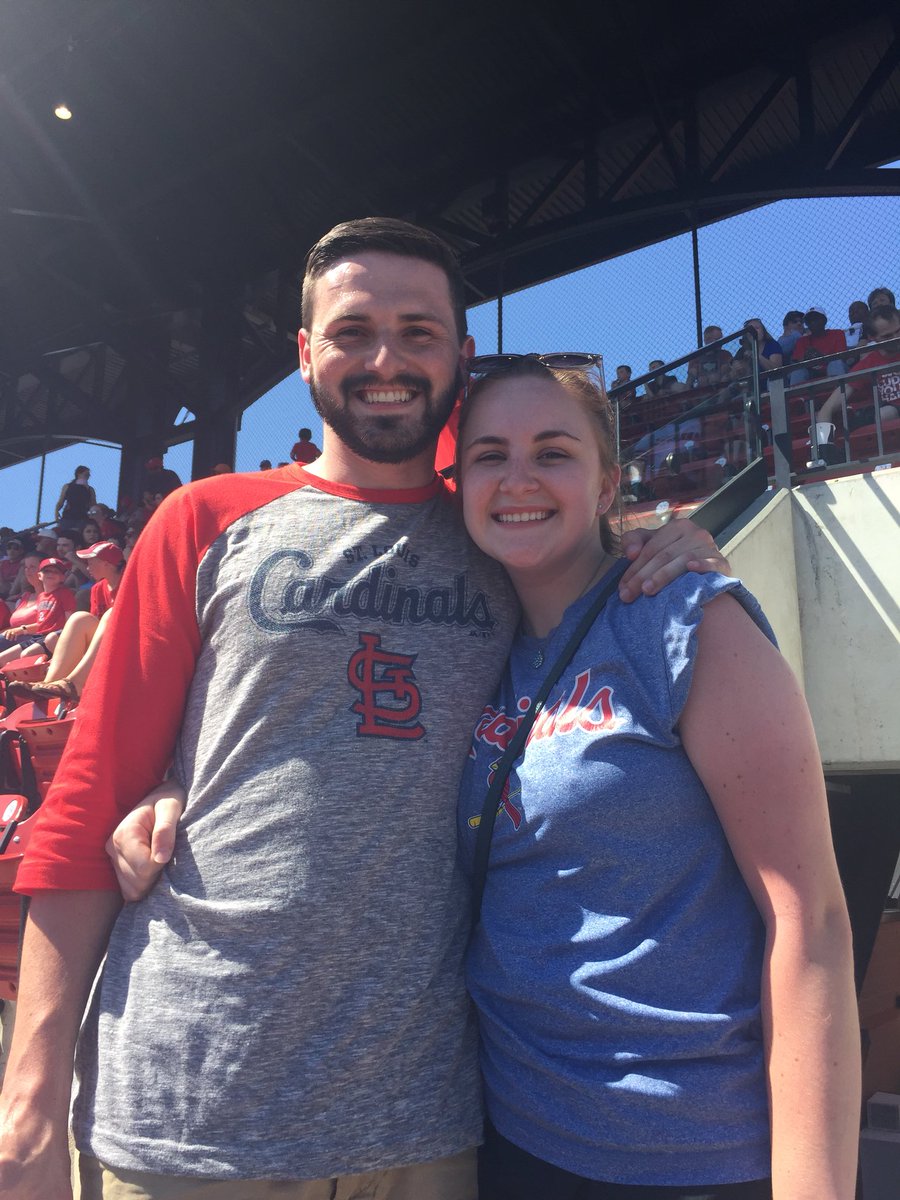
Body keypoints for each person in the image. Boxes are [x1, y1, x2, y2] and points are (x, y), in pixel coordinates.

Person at [0, 217, 726, 1200]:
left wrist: (672, 543)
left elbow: (598, 571)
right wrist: (30, 1099)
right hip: (189, 1106)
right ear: (305, 354)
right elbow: (86, 806)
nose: (385, 359)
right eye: (353, 331)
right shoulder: (201, 519)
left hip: (425, 1118)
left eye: (419, 332)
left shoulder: (502, 535)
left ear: (461, 358)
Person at [454, 356, 859, 1199]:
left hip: (686, 1154)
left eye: (553, 452)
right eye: (490, 454)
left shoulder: (685, 619)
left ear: (607, 487)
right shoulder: (475, 644)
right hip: (511, 1131)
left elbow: (810, 922)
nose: (517, 478)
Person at [815, 304, 900, 437]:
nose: (896, 338)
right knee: (886, 413)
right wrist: (822, 445)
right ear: (872, 337)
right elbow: (827, 408)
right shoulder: (869, 363)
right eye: (887, 336)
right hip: (891, 417)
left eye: (898, 331)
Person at [0, 557, 76, 666]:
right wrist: (21, 630)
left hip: (54, 637)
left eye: (56, 571)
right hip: (38, 637)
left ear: (62, 577)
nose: (51, 574)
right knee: (2, 659)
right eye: (47, 571)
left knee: (27, 654)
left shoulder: (65, 594)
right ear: (39, 575)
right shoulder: (41, 597)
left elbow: (70, 622)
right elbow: (41, 624)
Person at [787, 308, 847, 384]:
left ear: (824, 320)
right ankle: (797, 396)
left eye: (815, 319)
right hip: (810, 372)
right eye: (809, 320)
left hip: (832, 367)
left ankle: (838, 393)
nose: (812, 322)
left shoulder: (837, 334)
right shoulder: (802, 341)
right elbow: (797, 362)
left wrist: (821, 357)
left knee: (835, 363)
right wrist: (806, 359)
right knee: (798, 372)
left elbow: (842, 357)